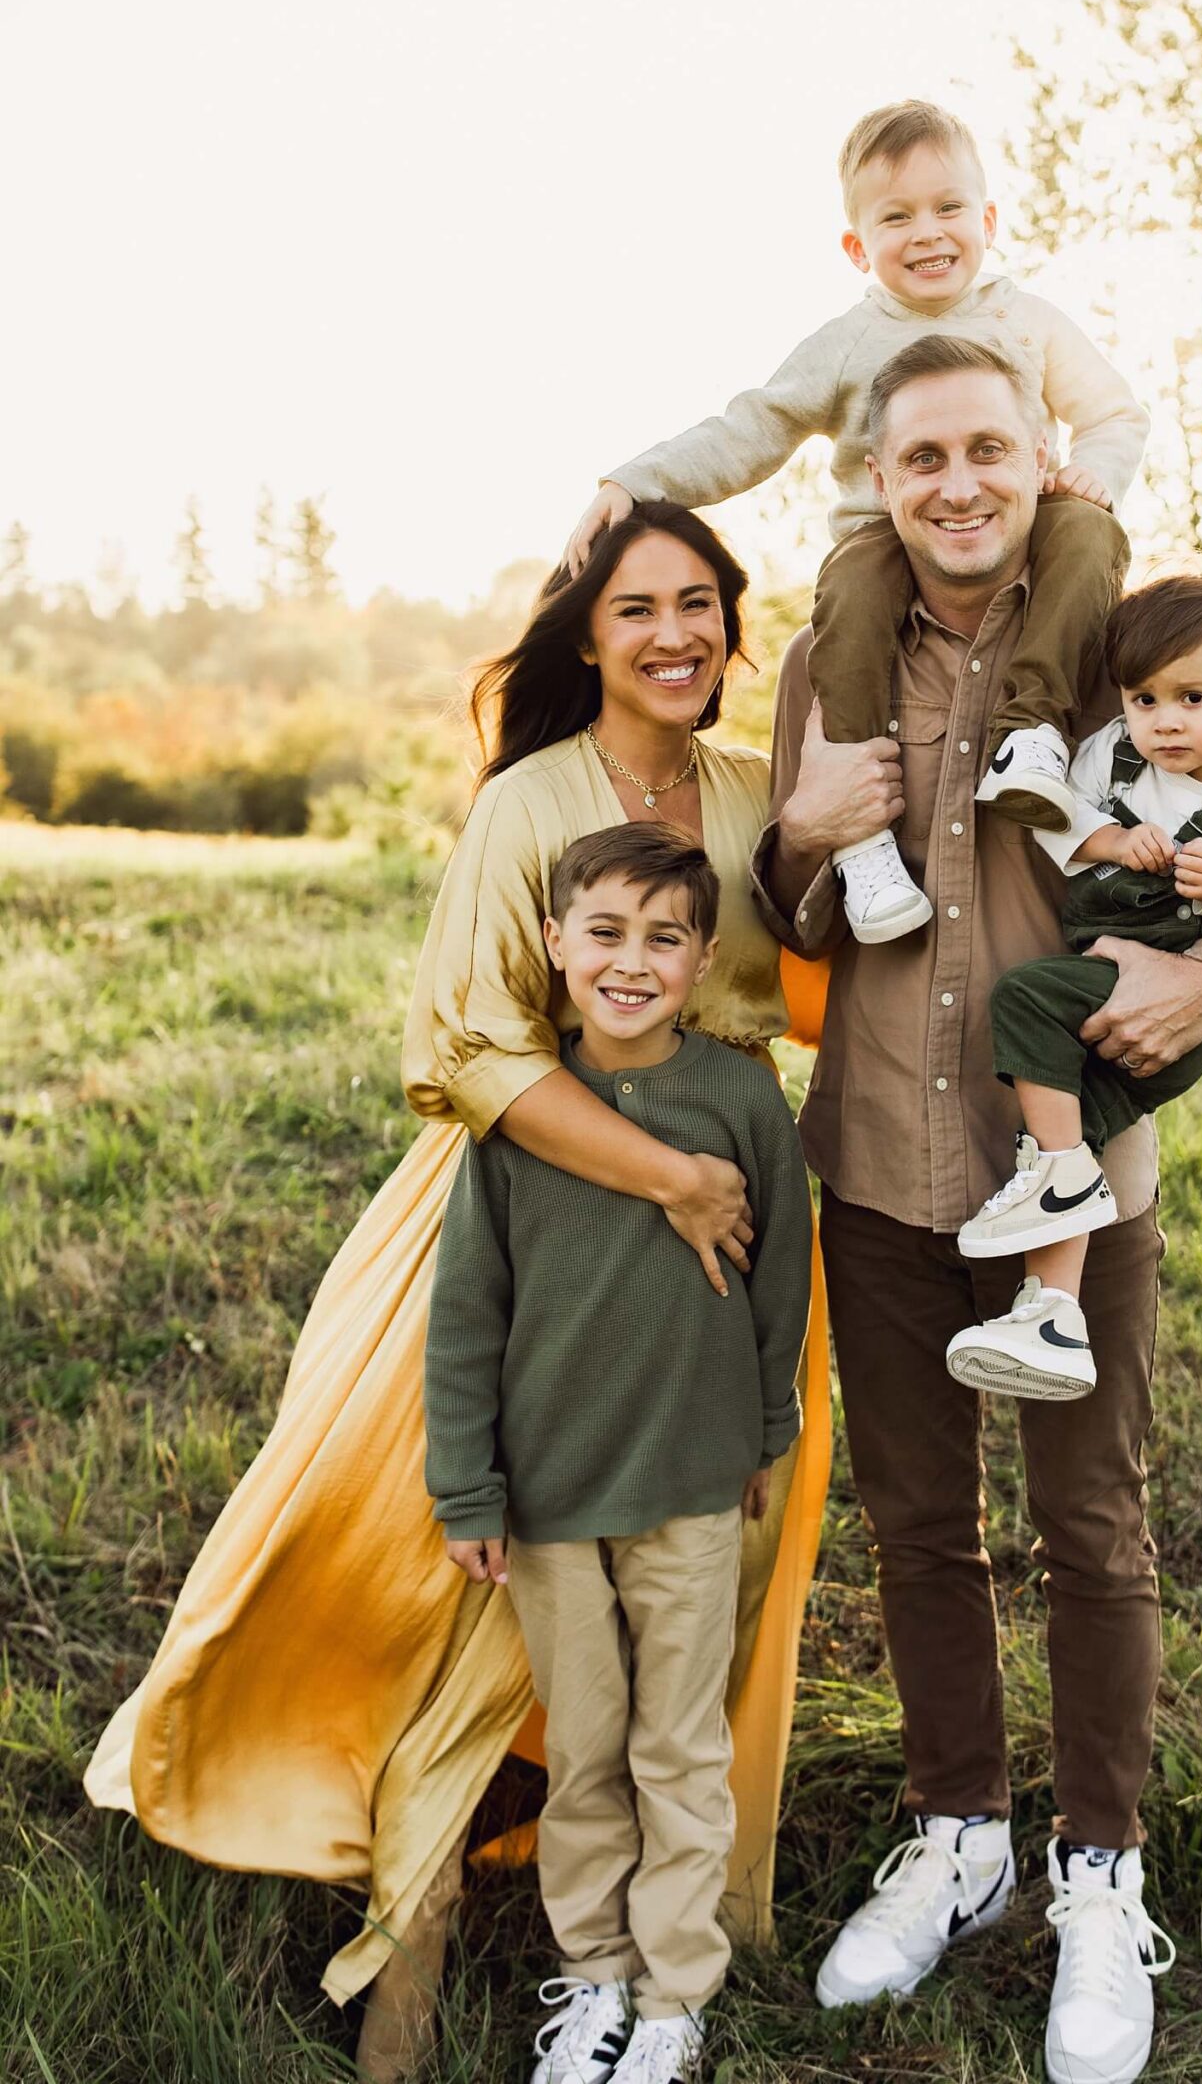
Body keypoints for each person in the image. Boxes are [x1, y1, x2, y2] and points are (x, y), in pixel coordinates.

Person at [84, 505, 832, 2081]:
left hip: (722, 1249)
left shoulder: (762, 797)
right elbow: (469, 1051)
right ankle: (422, 1930)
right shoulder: (527, 804)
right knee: (453, 1587)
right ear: (585, 634)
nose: (674, 635)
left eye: (699, 603)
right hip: (523, 1209)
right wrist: (663, 1178)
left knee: (683, 1616)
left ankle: (664, 1970)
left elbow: (822, 985)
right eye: (638, 608)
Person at [753, 337, 1202, 2084]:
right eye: (919, 454)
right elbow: (790, 912)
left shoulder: (1126, 649)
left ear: (1040, 464)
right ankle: (959, 1833)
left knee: (1092, 1532)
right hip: (869, 1155)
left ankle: (1099, 1867)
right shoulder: (821, 663)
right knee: (917, 1526)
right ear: (877, 476)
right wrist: (797, 832)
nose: (954, 483)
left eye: (985, 451)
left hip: (1069, 1175)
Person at [563, 97, 1147, 945]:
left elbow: (1114, 414)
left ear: (986, 218)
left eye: (949, 208)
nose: (928, 232)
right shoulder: (845, 341)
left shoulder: (1028, 321)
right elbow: (754, 426)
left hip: (1020, 533)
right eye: (896, 217)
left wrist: (1093, 472)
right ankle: (865, 843)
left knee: (1092, 535)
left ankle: (1032, 740)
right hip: (886, 543)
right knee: (851, 597)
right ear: (857, 246)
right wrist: (638, 479)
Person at [425, 822, 812, 2084]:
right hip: (546, 1499)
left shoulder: (743, 1098)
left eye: (663, 938)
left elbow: (783, 1285)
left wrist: (766, 1431)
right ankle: (592, 1973)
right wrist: (468, 1485)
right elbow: (468, 1313)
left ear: (702, 957)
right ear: (556, 944)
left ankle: (673, 1998)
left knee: (679, 1746)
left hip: (696, 1486)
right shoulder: (526, 1115)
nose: (632, 961)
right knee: (586, 1748)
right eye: (605, 932)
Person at [946, 560, 1202, 1401]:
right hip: (1102, 986)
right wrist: (1109, 843)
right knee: (1077, 1128)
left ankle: (1053, 1176)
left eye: (1192, 699)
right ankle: (1050, 1315)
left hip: (1181, 1021)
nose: (1163, 721)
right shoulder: (1110, 760)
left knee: (1022, 996)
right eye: (1143, 699)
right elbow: (1054, 818)